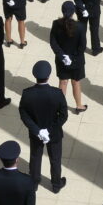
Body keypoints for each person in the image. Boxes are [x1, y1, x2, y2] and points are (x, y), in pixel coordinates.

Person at [19, 60, 68, 192]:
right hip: (54, 133)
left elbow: (24, 114)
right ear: (49, 75)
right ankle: (56, 184)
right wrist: (49, 130)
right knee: (55, 159)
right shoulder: (57, 94)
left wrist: (38, 131)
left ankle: (34, 183)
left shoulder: (27, 93)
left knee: (35, 157)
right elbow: (63, 116)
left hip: (36, 134)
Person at [50, 1, 87, 114]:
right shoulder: (80, 27)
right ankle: (79, 106)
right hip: (76, 61)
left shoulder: (56, 24)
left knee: (63, 82)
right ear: (73, 12)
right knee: (75, 82)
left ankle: (60, 108)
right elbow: (82, 47)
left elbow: (53, 42)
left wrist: (63, 56)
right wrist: (72, 58)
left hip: (62, 61)